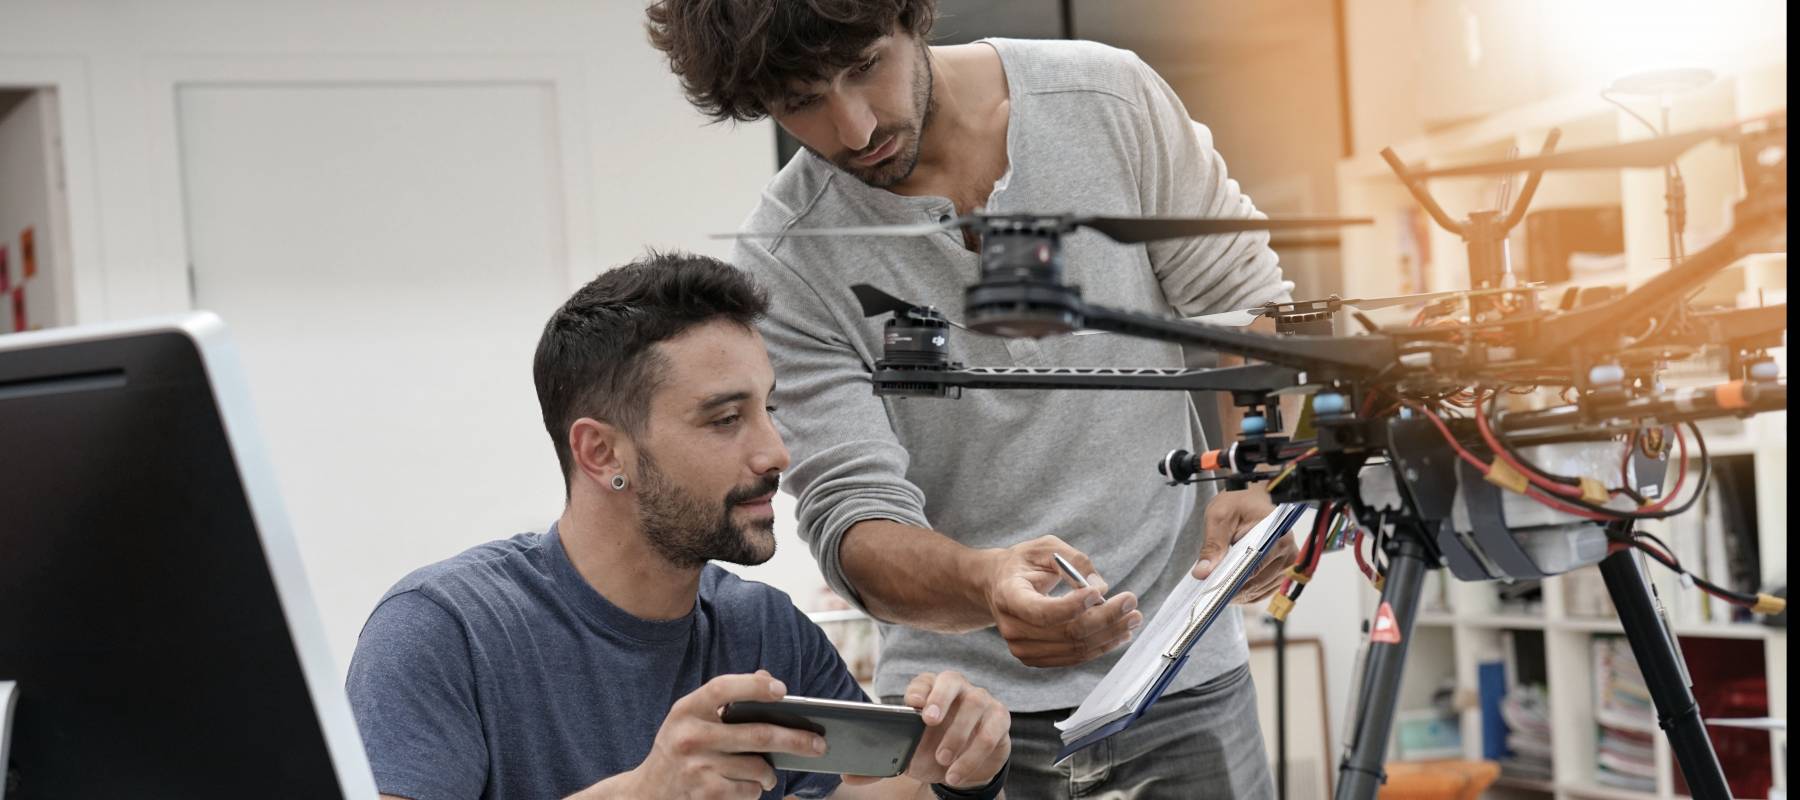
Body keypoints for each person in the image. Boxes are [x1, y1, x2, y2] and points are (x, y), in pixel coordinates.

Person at [646, 2, 1297, 796]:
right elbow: (853, 516)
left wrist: (1254, 471)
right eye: (800, 102)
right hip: (956, 722)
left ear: (911, 17)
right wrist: (986, 584)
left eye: (863, 68)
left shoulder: (1108, 101)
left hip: (1181, 671)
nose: (853, 130)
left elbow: (1245, 301)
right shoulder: (788, 258)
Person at [345, 252, 1013, 800]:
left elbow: (855, 796)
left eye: (769, 410)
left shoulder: (765, 629)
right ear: (602, 453)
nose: (775, 452)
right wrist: (644, 792)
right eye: (726, 420)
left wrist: (955, 769)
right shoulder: (439, 631)